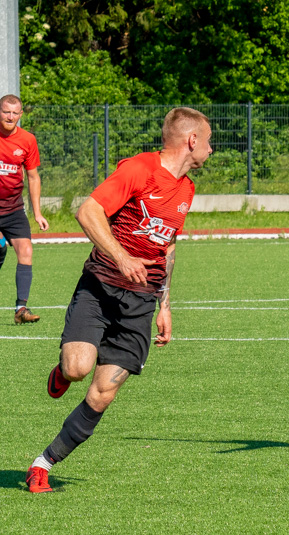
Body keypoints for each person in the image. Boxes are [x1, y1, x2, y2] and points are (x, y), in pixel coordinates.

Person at [25, 107, 212, 493]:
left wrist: (165, 304)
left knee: (103, 392)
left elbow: (168, 245)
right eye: (209, 140)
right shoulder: (138, 170)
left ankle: (43, 462)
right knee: (78, 370)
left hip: (142, 304)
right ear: (192, 140)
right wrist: (122, 257)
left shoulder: (187, 190)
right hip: (100, 288)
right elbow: (88, 210)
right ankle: (62, 372)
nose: (211, 149)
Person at [0, 94, 49, 323]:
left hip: (14, 209)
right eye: (5, 111)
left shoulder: (28, 140)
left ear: (20, 114)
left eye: (14, 112)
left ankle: (21, 309)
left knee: (26, 252)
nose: (10, 116)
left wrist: (37, 212)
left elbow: (33, 177)